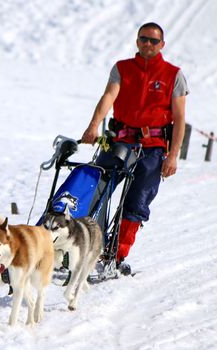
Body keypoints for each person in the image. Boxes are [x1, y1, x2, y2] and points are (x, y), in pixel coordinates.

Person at [81, 22, 189, 275]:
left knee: (137, 202)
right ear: (137, 41)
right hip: (120, 142)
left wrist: (173, 155)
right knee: (94, 189)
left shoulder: (174, 74)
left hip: (153, 147)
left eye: (153, 40)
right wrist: (93, 126)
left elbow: (180, 118)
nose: (148, 44)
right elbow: (109, 96)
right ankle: (84, 247)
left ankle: (115, 257)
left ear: (162, 44)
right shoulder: (122, 68)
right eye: (144, 39)